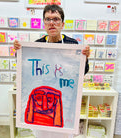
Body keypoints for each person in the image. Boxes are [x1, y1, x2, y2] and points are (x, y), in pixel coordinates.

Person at [14, 4, 90, 138]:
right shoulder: (37, 45)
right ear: (43, 23)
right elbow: (25, 69)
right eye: (48, 19)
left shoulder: (72, 45)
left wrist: (85, 58)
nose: (52, 23)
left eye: (56, 19)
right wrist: (19, 53)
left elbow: (82, 72)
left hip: (66, 101)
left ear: (63, 24)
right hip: (41, 111)